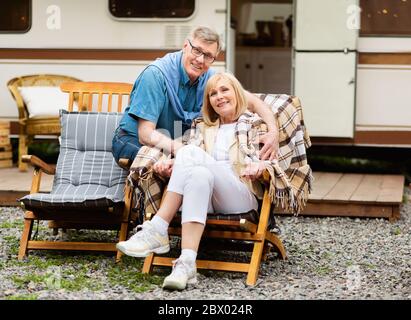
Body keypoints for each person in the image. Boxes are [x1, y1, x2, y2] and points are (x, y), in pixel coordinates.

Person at [116, 72, 271, 290]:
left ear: (237, 92)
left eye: (224, 90)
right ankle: (186, 264)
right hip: (207, 193)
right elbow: (191, 161)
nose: (219, 96)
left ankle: (158, 227)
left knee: (188, 153)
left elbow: (273, 163)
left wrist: (260, 166)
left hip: (240, 194)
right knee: (198, 174)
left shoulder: (256, 125)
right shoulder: (203, 127)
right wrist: (172, 166)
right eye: (213, 94)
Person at [112, 26, 279, 169]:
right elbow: (145, 134)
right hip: (132, 141)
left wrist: (273, 132)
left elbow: (255, 103)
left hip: (174, 143)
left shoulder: (210, 79)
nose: (200, 60)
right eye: (197, 50)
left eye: (208, 56)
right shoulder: (155, 75)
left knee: (190, 166)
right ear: (185, 46)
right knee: (168, 165)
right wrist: (183, 151)